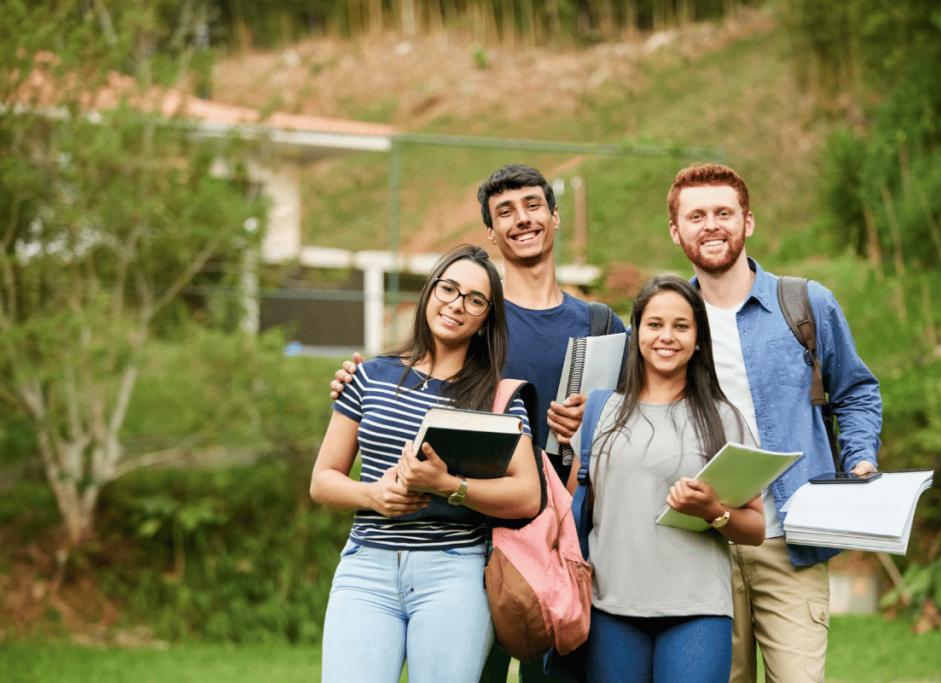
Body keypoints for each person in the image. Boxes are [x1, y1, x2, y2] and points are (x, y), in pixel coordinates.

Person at [330, 164, 627, 683]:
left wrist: (595, 423)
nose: (522, 219)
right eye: (505, 212)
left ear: (555, 216)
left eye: (533, 205)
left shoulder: (601, 326)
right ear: (491, 231)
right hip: (468, 543)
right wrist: (356, 382)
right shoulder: (471, 320)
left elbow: (639, 424)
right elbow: (414, 384)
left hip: (556, 541)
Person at [665, 162, 883, 683]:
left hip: (791, 543)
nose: (711, 225)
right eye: (696, 216)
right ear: (676, 231)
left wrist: (860, 458)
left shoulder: (805, 303)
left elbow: (855, 391)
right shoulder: (666, 322)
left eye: (724, 212)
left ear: (748, 221)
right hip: (700, 547)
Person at [310, 244, 541, 683]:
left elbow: (528, 495)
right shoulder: (368, 376)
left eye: (474, 299)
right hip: (366, 567)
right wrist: (373, 495)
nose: (456, 304)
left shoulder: (498, 398)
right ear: (430, 291)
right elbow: (322, 481)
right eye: (448, 288)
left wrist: (449, 485)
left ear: (486, 319)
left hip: (454, 573)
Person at [567, 275, 765, 683]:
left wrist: (713, 511)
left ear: (698, 338)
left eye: (681, 326)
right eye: (654, 324)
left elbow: (756, 529)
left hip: (697, 612)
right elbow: (574, 511)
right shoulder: (600, 413)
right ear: (636, 331)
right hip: (609, 609)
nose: (667, 337)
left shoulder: (723, 419)